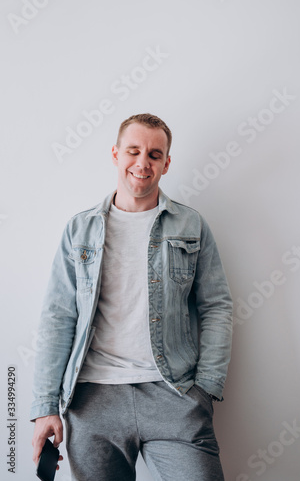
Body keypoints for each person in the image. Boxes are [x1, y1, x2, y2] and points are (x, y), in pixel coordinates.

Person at [31, 113, 233, 480]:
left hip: (174, 395)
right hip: (93, 401)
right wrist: (45, 407)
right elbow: (58, 316)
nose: (143, 163)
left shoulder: (191, 225)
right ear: (115, 154)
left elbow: (216, 305)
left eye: (155, 155)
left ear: (167, 163)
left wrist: (206, 386)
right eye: (133, 151)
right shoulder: (81, 229)